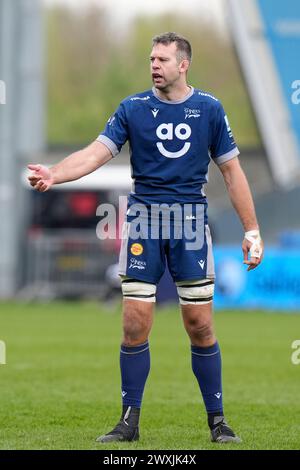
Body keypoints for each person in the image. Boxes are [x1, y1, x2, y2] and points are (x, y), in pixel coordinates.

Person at [28, 32, 263, 444]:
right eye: (151, 58)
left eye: (162, 59)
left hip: (190, 222)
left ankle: (218, 421)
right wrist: (55, 173)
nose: (154, 65)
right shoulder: (133, 108)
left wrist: (252, 229)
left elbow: (231, 172)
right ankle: (128, 423)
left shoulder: (209, 109)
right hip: (144, 223)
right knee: (135, 323)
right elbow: (95, 153)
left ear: (183, 64)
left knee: (200, 324)